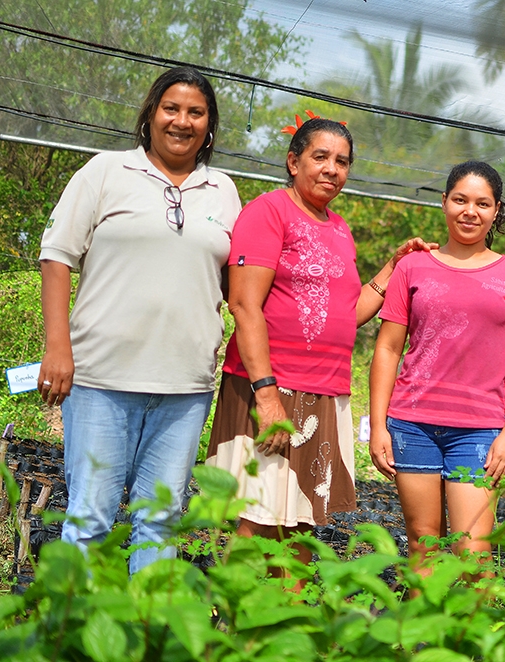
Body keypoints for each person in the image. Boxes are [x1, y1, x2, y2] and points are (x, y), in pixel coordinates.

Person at [205, 116, 434, 580]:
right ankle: (231, 634)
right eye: (320, 157)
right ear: (293, 161)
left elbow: (347, 315)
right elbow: (245, 305)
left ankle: (289, 635)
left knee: (302, 524)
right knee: (257, 519)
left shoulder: (339, 228)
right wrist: (266, 396)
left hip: (324, 394)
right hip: (270, 390)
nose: (332, 169)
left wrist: (392, 268)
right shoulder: (268, 212)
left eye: (343, 162)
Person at [37, 66, 241, 574]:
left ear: (209, 126)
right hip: (102, 378)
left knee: (161, 521)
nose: (182, 121)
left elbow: (237, 284)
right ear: (150, 114)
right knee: (91, 516)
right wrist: (57, 347)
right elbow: (57, 257)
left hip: (186, 386)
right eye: (171, 108)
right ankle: (77, 640)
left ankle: (145, 643)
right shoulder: (106, 172)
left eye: (196, 112)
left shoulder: (223, 190)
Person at [368, 161, 505, 574]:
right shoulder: (412, 267)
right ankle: (413, 640)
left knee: (474, 554)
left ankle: (468, 640)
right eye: (460, 200)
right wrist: (377, 426)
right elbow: (389, 348)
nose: (470, 211)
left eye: (482, 203)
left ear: (496, 211)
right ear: (444, 202)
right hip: (412, 424)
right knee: (422, 546)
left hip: (479, 431)